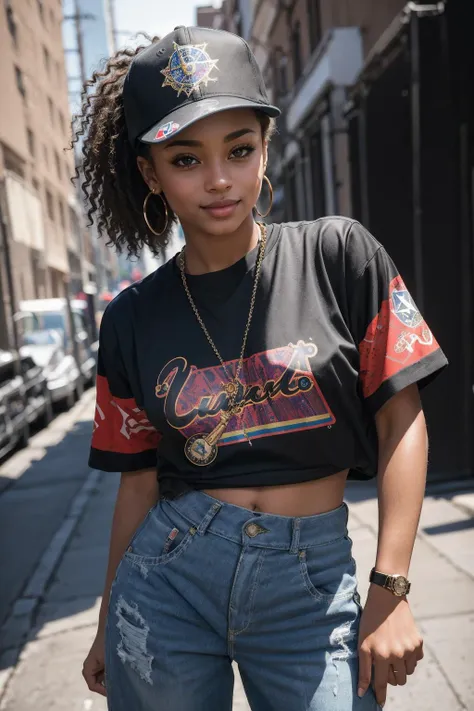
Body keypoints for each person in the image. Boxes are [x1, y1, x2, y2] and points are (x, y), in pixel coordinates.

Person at [78, 26, 448, 711]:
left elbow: (403, 419)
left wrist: (389, 587)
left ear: (265, 148)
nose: (219, 179)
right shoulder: (130, 318)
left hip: (311, 585)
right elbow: (136, 484)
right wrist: (107, 620)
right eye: (186, 159)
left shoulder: (339, 257)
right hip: (168, 584)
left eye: (239, 149)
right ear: (149, 173)